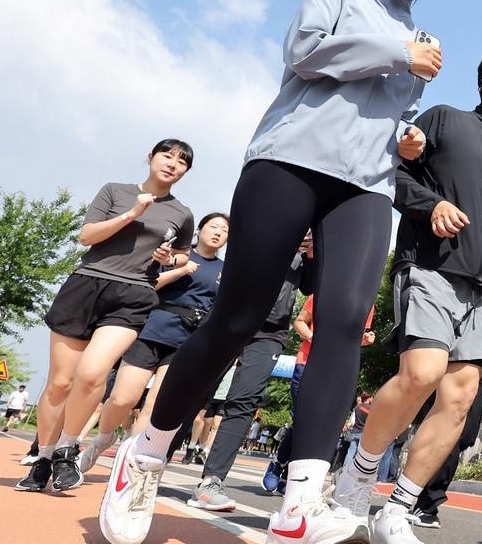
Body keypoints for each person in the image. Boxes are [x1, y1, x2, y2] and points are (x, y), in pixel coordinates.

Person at [95, 0, 447, 544]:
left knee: (343, 323)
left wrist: (406, 138)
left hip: (366, 184)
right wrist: (398, 53)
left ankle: (298, 514)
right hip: (288, 160)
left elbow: (378, 105)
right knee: (236, 318)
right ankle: (145, 453)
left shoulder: (421, 39)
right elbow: (306, 54)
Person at [332, 46, 482, 544]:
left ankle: (398, 511)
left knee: (460, 395)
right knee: (422, 373)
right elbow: (395, 174)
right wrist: (433, 206)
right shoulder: (444, 121)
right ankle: (352, 490)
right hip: (428, 267)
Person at [16, 140, 195, 493]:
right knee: (60, 383)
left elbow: (182, 255)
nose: (173, 164)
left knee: (93, 373)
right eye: (167, 155)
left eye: (182, 161)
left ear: (186, 171)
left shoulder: (183, 214)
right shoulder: (116, 190)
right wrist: (131, 215)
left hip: (134, 295)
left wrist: (166, 258)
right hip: (87, 285)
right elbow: (87, 236)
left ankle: (68, 449)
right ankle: (44, 459)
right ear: (151, 158)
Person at [77, 213, 230, 475]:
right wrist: (179, 270)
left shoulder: (225, 270)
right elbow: (150, 285)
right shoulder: (176, 256)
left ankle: (126, 467)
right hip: (153, 329)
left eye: (224, 230)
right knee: (123, 399)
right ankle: (103, 438)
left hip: (188, 341)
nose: (217, 233)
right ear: (200, 230)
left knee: (153, 407)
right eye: (213, 227)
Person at [187, 237, 315, 512]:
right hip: (231, 315)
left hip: (271, 329)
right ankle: (153, 454)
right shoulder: (270, 218)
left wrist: (314, 253)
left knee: (244, 400)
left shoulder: (310, 241)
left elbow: (311, 285)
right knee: (195, 391)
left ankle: (212, 480)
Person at [408, 279, 482, 528]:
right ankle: (424, 501)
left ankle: (415, 493)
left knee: (465, 435)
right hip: (440, 359)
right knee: (443, 427)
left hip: (479, 366)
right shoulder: (447, 270)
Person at [263, 294, 376, 493]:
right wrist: (314, 338)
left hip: (337, 369)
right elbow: (299, 322)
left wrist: (365, 340)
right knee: (302, 419)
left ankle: (294, 475)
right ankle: (279, 463)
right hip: (307, 363)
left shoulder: (367, 303)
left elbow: (354, 340)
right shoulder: (322, 293)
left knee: (321, 424)